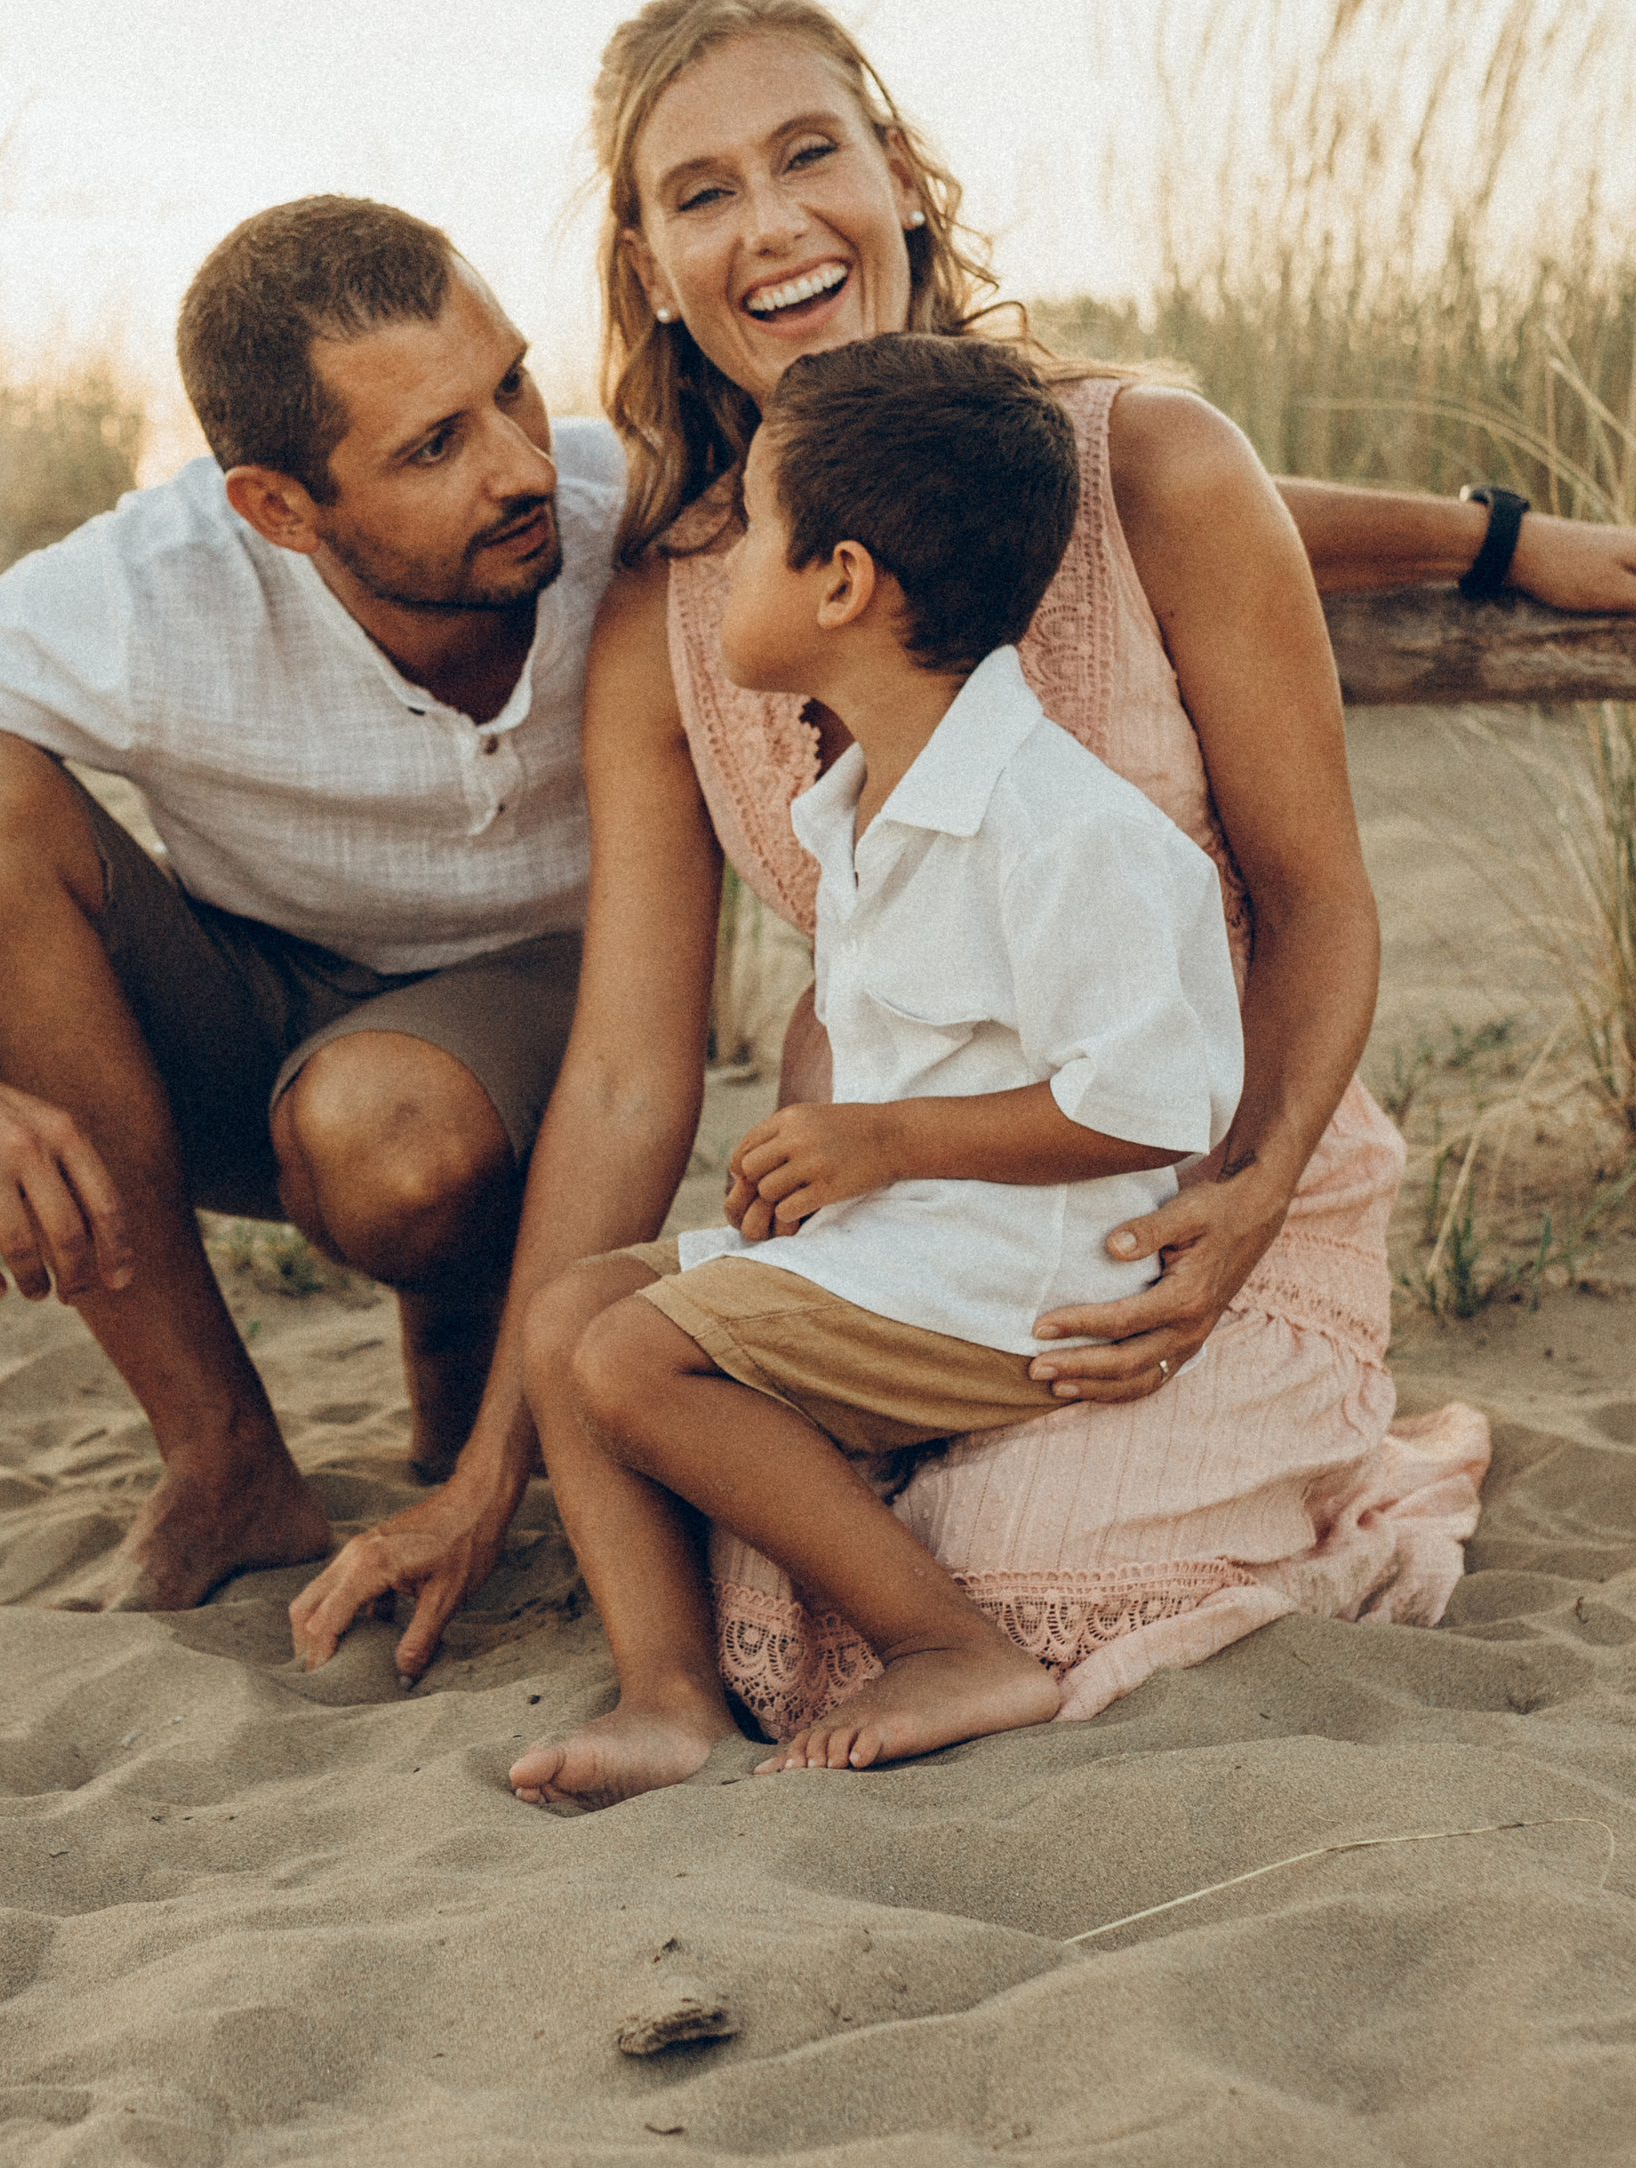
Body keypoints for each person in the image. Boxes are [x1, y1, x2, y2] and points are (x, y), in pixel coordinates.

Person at [291, 0, 1636, 1731]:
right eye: (700, 192)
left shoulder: (1146, 462)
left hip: (1197, 1208)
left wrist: (1249, 1193)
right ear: (645, 257)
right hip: (909, 1238)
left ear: (899, 172)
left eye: (808, 151)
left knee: (1013, 1592)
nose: (770, 225)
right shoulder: (671, 611)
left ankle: (1352, 1451)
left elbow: (1315, 899)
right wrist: (481, 1474)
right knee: (772, 1618)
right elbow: (621, 1075)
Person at [0, 198, 624, 1611]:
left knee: (390, 1136)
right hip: (259, 1006)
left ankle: (458, 1333)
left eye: (511, 386)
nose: (518, 463)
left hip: (537, 1012)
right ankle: (224, 1462)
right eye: (433, 444)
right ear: (278, 508)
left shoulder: (635, 510)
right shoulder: (151, 588)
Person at [512, 336, 1246, 1800]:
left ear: (842, 580)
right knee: (567, 1314)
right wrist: (846, 1162)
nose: (724, 567)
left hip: (1018, 1276)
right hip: (904, 1240)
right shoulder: (860, 794)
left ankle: (952, 1645)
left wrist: (886, 1141)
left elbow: (1148, 1103)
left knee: (630, 1353)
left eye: (758, 534)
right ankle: (670, 1696)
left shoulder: (1061, 829)